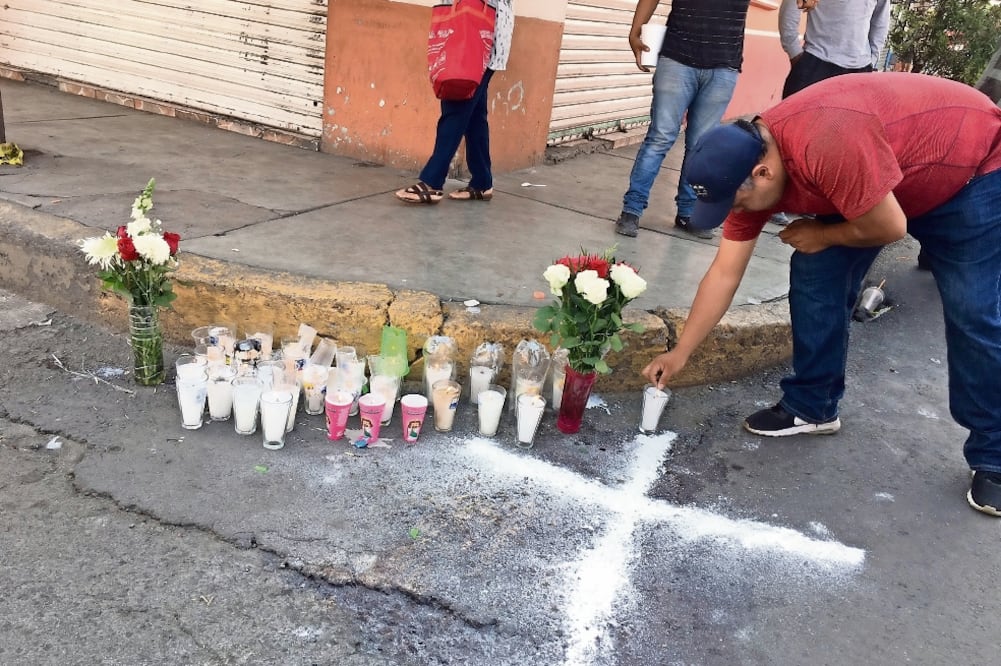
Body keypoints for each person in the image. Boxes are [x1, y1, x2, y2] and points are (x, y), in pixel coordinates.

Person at [640, 73, 1001, 516]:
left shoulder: (826, 142)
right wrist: (681, 352)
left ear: (763, 172)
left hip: (973, 174)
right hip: (891, 183)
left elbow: (890, 228)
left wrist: (826, 234)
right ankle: (813, 406)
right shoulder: (748, 166)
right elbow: (724, 273)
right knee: (814, 269)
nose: (735, 212)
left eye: (734, 203)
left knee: (973, 310)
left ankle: (994, 456)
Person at [613, 0, 752, 240]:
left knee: (701, 146)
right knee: (660, 137)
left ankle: (688, 212)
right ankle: (632, 210)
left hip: (723, 67)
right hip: (677, 60)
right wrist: (635, 30)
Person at [395, 0, 514, 204]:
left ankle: (432, 182)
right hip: (482, 32)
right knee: (475, 116)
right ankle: (482, 182)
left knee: (456, 107)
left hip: (475, 34)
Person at [779, 0, 889, 99]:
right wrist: (794, 51)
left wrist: (871, 61)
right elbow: (792, 4)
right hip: (815, 63)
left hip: (860, 71)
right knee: (796, 121)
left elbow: (880, 21)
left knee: (846, 122)